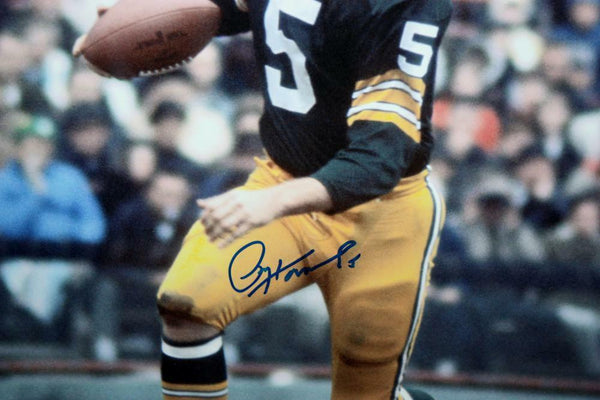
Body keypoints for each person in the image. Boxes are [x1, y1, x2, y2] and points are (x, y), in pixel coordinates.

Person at [76, 0, 452, 399]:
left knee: (364, 386)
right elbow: (228, 8)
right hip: (285, 177)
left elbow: (377, 163)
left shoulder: (404, 5)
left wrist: (273, 202)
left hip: (382, 211)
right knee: (187, 303)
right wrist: (129, 26)